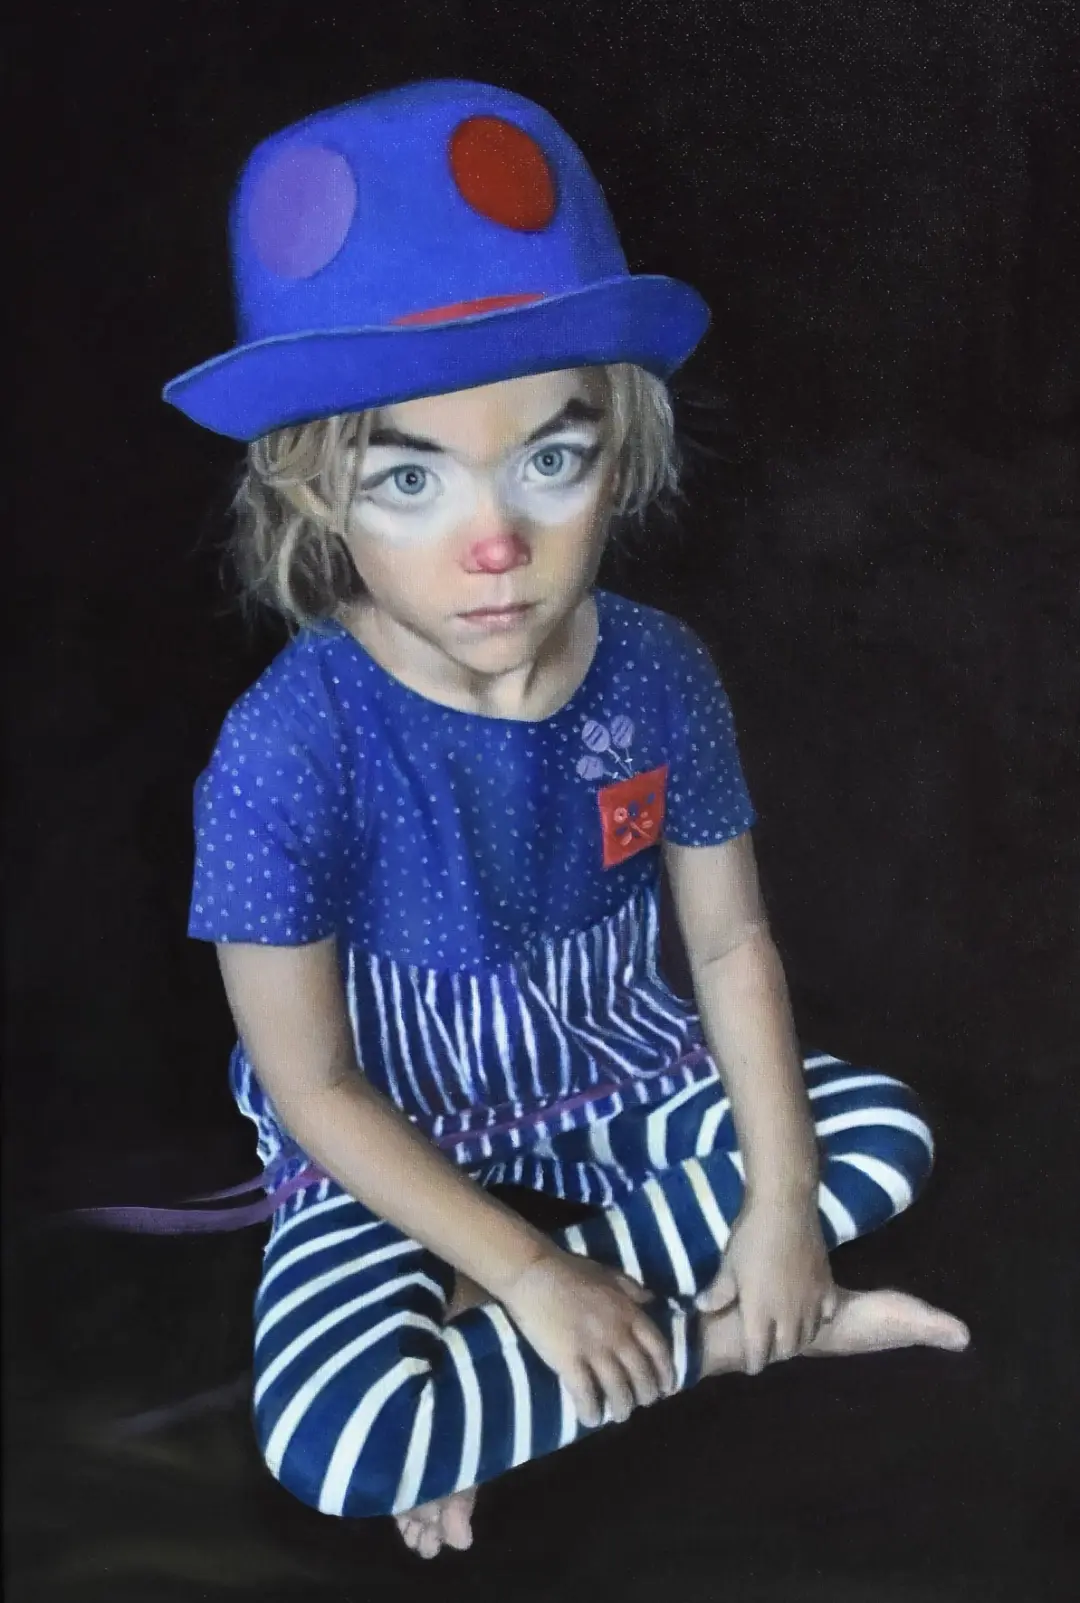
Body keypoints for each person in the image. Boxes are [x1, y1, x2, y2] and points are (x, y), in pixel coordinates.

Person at [156, 80, 969, 1557]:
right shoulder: (285, 748)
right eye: (410, 477)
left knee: (874, 1132)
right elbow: (321, 1085)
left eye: (550, 456)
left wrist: (781, 1203)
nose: (496, 543)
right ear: (313, 500)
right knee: (336, 1438)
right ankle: (705, 1340)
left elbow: (728, 951)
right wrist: (530, 1275)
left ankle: (511, 1334)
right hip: (389, 1131)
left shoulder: (660, 671)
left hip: (613, 1078)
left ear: (622, 445)